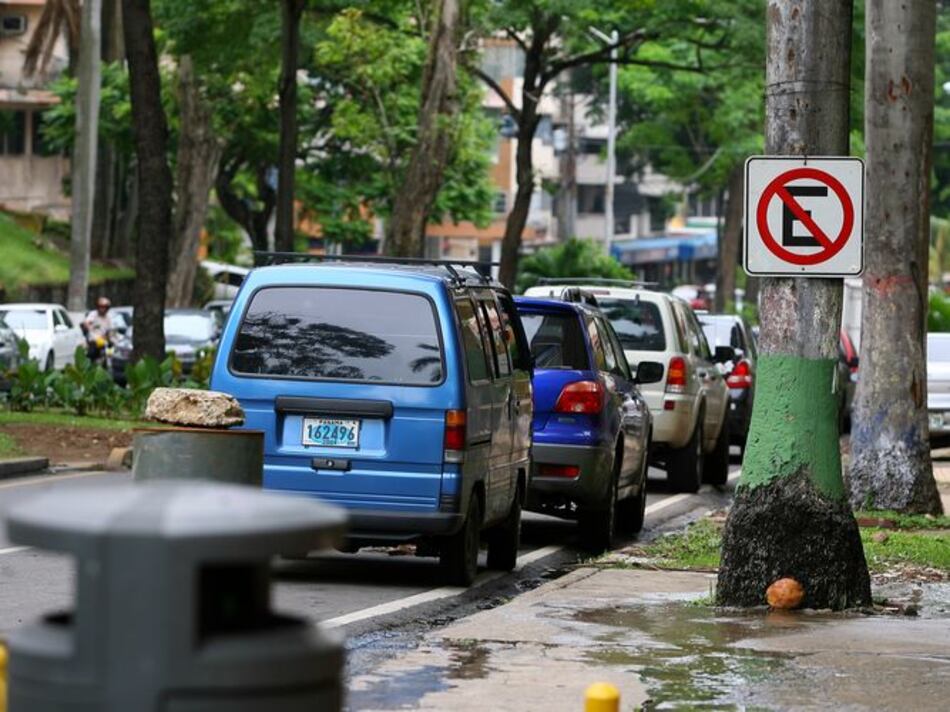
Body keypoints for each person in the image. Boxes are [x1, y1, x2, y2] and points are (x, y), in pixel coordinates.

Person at [83, 297, 115, 363]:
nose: (102, 309)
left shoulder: (108, 318)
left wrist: (110, 338)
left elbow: (110, 330)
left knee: (110, 351)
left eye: (105, 307)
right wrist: (89, 327)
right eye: (101, 307)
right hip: (93, 340)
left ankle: (107, 363)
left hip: (103, 340)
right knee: (91, 353)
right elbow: (87, 323)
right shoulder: (93, 314)